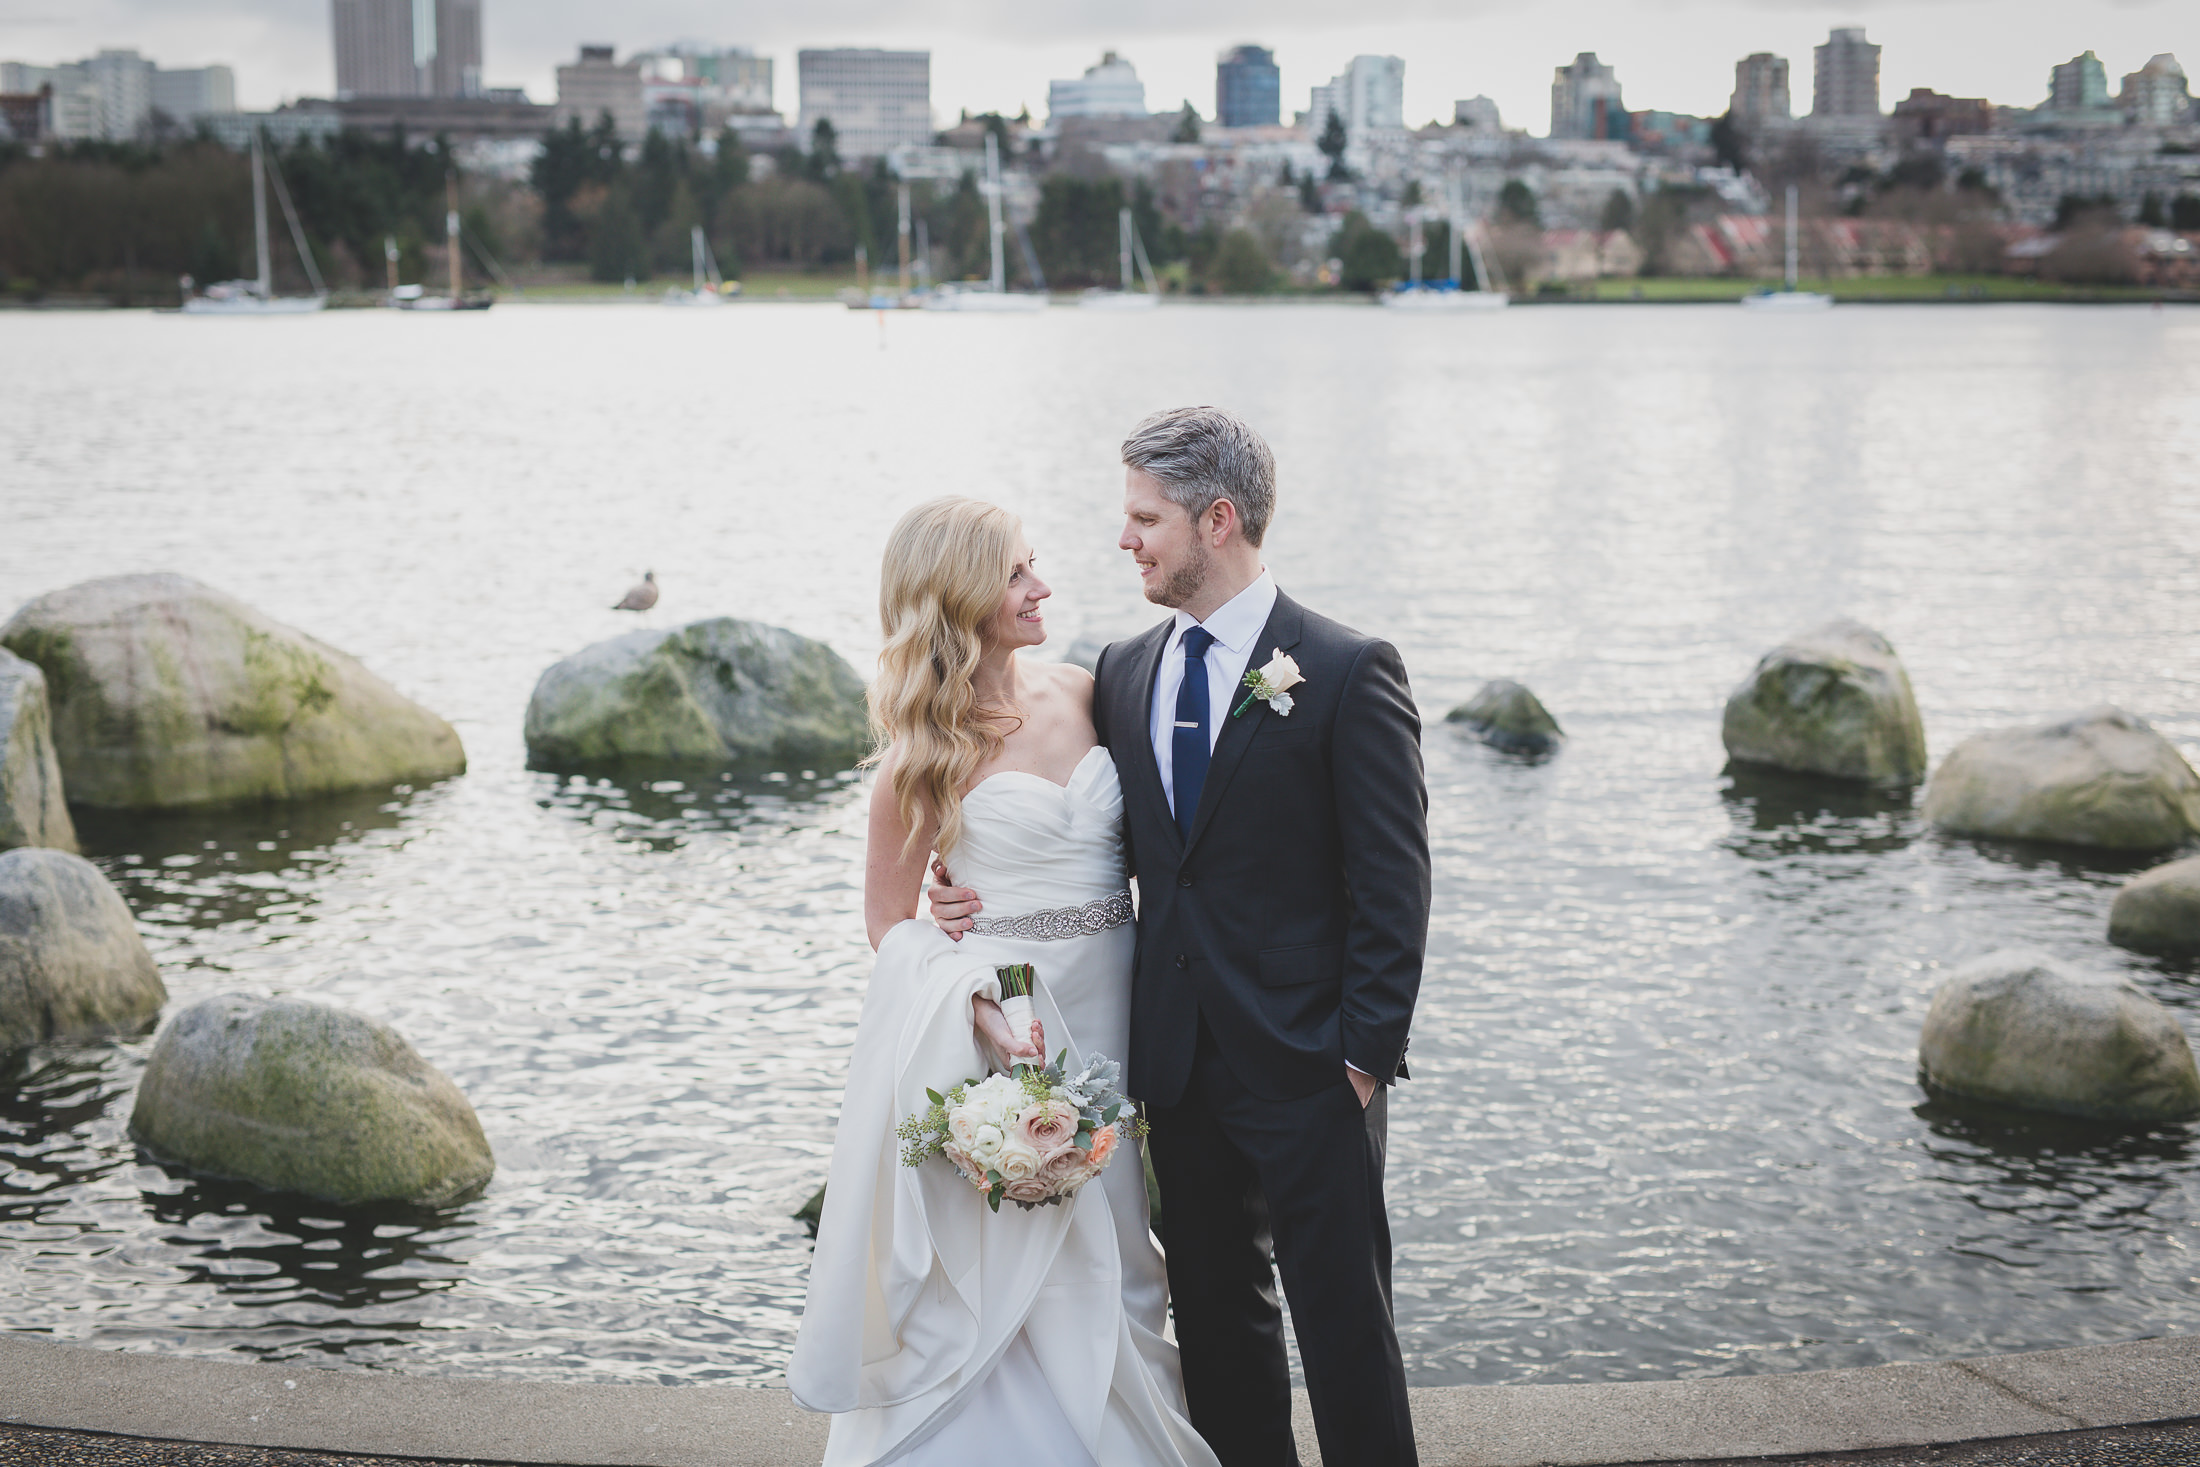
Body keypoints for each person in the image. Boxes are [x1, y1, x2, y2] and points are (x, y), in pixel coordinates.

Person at [930, 407, 1430, 1467]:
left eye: (1143, 519)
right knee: (1217, 1327)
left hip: (1311, 1068)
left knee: (1343, 1329)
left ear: (1216, 521)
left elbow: (1395, 884)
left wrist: (1359, 1059)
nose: (1124, 541)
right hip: (1176, 1068)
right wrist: (954, 884)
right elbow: (1059, 821)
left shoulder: (1343, 669)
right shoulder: (1123, 670)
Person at [787, 496, 1219, 1467]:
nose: (1042, 587)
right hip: (1017, 1019)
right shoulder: (917, 758)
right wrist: (973, 1005)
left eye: (1035, 566)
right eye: (1018, 573)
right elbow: (887, 921)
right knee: (1029, 1243)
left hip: (1127, 999)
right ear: (960, 596)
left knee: (1126, 1253)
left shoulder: (1086, 691)